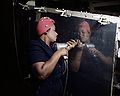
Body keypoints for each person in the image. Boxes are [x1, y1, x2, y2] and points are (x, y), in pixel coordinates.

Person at [28, 17, 77, 96]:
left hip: (57, 91)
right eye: (54, 30)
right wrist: (59, 53)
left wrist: (67, 49)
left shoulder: (52, 48)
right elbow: (42, 74)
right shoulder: (35, 46)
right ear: (46, 31)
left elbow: (61, 72)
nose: (56, 33)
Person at [68, 20, 114, 96]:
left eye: (83, 32)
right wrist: (80, 50)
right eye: (79, 33)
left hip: (98, 85)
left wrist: (98, 54)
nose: (80, 35)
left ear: (89, 33)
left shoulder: (98, 44)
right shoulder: (75, 47)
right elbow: (74, 69)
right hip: (80, 86)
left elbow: (110, 63)